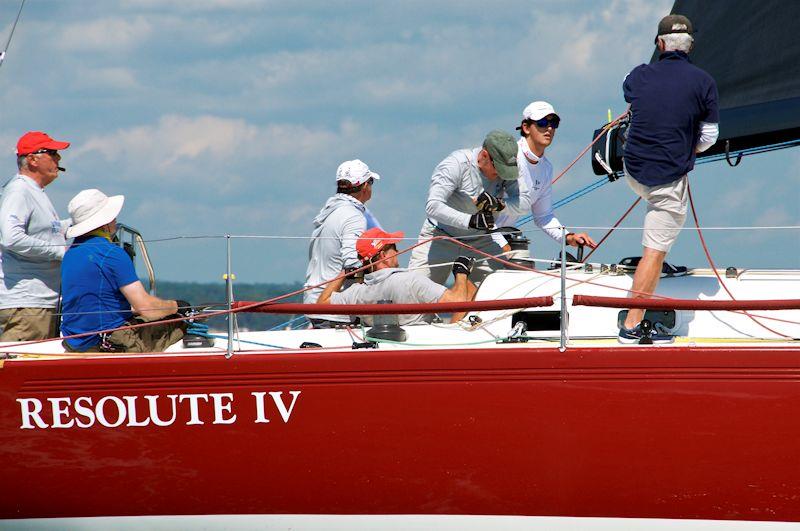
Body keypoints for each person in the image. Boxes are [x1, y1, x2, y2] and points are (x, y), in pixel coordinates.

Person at [619, 14, 719, 343]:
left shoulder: (638, 76)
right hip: (666, 178)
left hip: (633, 171)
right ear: (690, 46)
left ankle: (656, 258)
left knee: (658, 217)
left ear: (660, 45)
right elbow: (709, 138)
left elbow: (628, 88)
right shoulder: (704, 82)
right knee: (654, 249)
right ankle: (631, 327)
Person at [60, 189, 190, 352]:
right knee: (181, 323)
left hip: (75, 343)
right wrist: (177, 306)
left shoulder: (70, 254)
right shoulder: (112, 254)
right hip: (110, 343)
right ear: (106, 223)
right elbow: (146, 308)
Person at [408, 130, 530, 286]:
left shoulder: (510, 167)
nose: (502, 174)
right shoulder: (456, 164)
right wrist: (471, 220)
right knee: (416, 296)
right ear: (484, 156)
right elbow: (433, 206)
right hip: (440, 236)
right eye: (498, 168)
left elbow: (525, 204)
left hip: (481, 240)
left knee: (501, 292)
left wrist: (499, 204)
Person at [494, 101, 596, 253]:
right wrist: (501, 244)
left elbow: (544, 216)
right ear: (526, 128)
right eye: (542, 122)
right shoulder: (509, 157)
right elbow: (480, 206)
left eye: (553, 123)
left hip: (499, 242)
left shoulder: (546, 168)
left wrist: (568, 237)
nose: (549, 128)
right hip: (472, 235)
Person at [318, 227, 477, 325]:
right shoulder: (410, 280)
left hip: (389, 345)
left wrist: (344, 273)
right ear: (382, 255)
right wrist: (461, 272)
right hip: (424, 346)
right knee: (470, 288)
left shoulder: (356, 293)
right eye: (393, 247)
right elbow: (457, 303)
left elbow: (322, 303)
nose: (398, 251)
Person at [0, 131, 71, 341]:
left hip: (39, 302)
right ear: (32, 159)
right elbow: (11, 238)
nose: (58, 158)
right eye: (52, 153)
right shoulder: (19, 191)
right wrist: (61, 252)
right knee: (18, 369)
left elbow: (50, 231)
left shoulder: (34, 191)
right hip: (27, 303)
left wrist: (84, 221)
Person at [304, 159, 381, 328]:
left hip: (313, 300)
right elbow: (352, 265)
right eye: (371, 182)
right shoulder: (353, 216)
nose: (372, 187)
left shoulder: (330, 212)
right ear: (364, 187)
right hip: (334, 309)